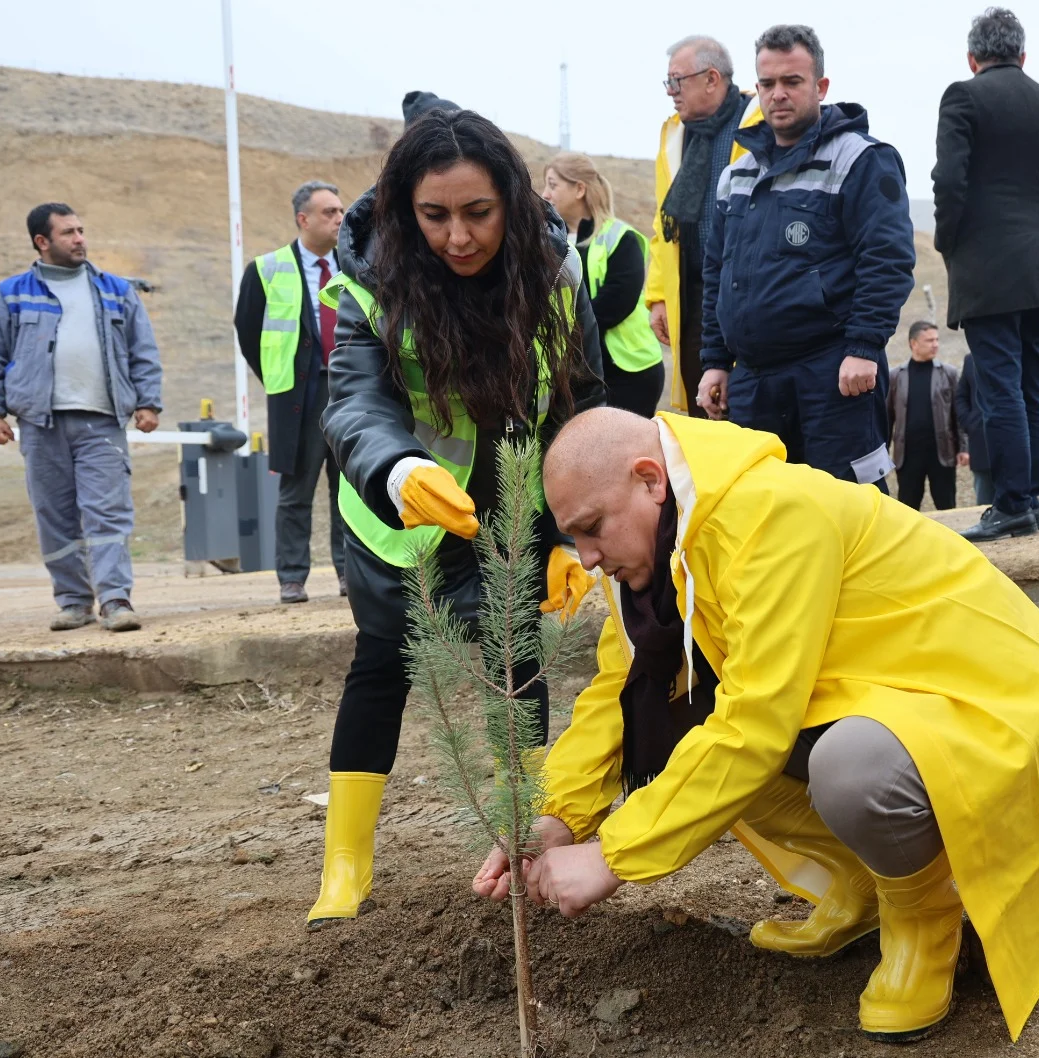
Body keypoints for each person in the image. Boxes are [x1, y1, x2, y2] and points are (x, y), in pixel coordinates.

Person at [473, 407, 1039, 1043]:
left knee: (851, 770)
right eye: (573, 538)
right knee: (680, 723)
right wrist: (554, 814)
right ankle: (866, 887)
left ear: (649, 479)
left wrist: (615, 857)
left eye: (592, 529)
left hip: (984, 693)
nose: (585, 558)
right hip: (877, 690)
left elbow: (756, 722)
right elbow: (617, 692)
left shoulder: (767, 516)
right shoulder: (659, 554)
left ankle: (925, 916)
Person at [305, 107, 603, 926]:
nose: (458, 237)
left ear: (509, 200)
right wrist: (397, 468)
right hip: (400, 513)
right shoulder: (371, 277)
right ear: (406, 210)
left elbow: (583, 404)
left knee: (519, 663)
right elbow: (354, 402)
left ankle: (522, 842)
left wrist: (576, 533)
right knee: (381, 668)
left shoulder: (555, 279)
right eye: (434, 216)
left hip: (516, 507)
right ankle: (345, 864)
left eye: (478, 213)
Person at [697, 25, 915, 488]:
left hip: (833, 376)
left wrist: (862, 347)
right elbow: (718, 273)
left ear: (820, 86)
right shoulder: (736, 175)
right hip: (754, 382)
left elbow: (888, 261)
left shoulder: (861, 160)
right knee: (766, 514)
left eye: (792, 82)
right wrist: (715, 360)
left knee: (849, 514)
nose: (778, 94)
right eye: (768, 83)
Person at [932, 7, 1039, 541]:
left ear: (972, 57)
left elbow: (949, 182)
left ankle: (1013, 503)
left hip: (988, 271)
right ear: (1023, 55)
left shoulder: (962, 96)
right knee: (1031, 385)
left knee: (999, 387)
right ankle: (1030, 500)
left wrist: (952, 242)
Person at [0, 203, 163, 633]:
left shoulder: (115, 290)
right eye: (68, 233)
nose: (80, 239)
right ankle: (74, 601)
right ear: (42, 242)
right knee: (54, 515)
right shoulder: (11, 293)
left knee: (107, 513)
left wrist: (148, 402)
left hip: (102, 422)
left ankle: (115, 599)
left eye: (81, 230)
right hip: (41, 425)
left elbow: (143, 352)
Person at [236, 180, 348, 604]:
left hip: (349, 393)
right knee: (295, 493)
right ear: (303, 219)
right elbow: (248, 330)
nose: (339, 219)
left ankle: (349, 574)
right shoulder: (266, 269)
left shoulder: (356, 266)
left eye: (340, 211)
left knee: (351, 492)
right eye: (329, 212)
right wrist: (281, 377)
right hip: (298, 398)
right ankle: (292, 577)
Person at [648, 35, 763, 414]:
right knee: (703, 403)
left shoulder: (759, 121)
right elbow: (663, 226)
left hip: (750, 291)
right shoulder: (675, 135)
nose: (670, 92)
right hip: (693, 295)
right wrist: (659, 296)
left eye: (676, 81)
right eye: (668, 82)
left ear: (712, 78)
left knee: (746, 406)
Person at [542, 152, 665, 417]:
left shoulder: (620, 237)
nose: (545, 194)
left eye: (553, 185)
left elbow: (617, 300)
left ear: (579, 189)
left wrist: (561, 326)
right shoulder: (549, 241)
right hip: (572, 372)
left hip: (628, 372)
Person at [887, 321, 967, 511]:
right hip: (907, 455)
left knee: (947, 506)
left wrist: (964, 448)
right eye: (929, 340)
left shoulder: (949, 373)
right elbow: (887, 418)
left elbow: (958, 414)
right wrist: (883, 453)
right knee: (907, 507)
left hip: (942, 453)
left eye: (937, 340)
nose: (935, 344)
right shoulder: (896, 376)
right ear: (913, 343)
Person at [954, 351, 994, 506]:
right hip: (981, 443)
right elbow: (961, 396)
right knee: (985, 503)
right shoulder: (971, 360)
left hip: (1015, 444)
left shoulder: (1019, 352)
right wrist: (970, 423)